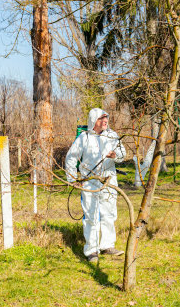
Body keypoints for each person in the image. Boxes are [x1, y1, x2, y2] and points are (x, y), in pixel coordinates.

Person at [65, 108, 126, 263]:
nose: (105, 121)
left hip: (109, 180)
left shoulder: (112, 136)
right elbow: (71, 158)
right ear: (94, 121)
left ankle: (107, 246)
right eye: (101, 119)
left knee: (109, 213)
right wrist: (72, 179)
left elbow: (123, 154)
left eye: (106, 118)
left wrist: (116, 156)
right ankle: (92, 251)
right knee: (91, 215)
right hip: (89, 181)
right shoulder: (84, 138)